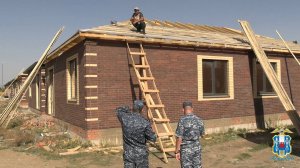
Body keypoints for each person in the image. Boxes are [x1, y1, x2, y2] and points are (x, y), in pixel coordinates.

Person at [116, 100, 157, 168]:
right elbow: (153, 138)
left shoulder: (125, 118)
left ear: (133, 107)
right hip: (141, 155)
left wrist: (129, 108)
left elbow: (119, 110)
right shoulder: (145, 122)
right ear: (142, 109)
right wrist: (152, 124)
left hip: (128, 154)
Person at [175, 101, 205, 168]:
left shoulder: (182, 120)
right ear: (192, 109)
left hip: (186, 150)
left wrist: (177, 151)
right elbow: (202, 134)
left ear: (183, 109)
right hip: (197, 148)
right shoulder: (199, 119)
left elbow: (179, 137)